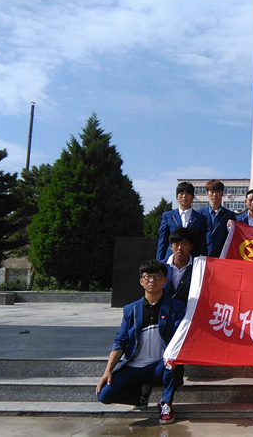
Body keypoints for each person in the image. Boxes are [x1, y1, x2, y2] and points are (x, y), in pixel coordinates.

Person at [96, 259, 186, 425]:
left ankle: (166, 403)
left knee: (171, 364)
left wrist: (173, 357)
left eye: (157, 277)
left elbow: (181, 337)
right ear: (141, 281)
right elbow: (120, 341)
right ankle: (140, 395)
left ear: (164, 281)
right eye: (148, 277)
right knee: (104, 394)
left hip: (161, 366)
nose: (152, 280)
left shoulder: (176, 307)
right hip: (135, 366)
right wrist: (108, 370)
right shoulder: (131, 310)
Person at [156, 182, 206, 262]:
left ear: (192, 197)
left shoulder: (200, 218)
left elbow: (202, 243)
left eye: (188, 193)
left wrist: (203, 260)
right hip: (171, 259)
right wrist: (159, 261)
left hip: (192, 260)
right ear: (177, 196)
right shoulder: (168, 216)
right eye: (181, 193)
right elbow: (162, 241)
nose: (184, 196)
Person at [201, 179, 236, 258]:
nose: (214, 195)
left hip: (222, 256)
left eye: (217, 192)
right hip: (203, 256)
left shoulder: (230, 215)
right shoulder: (199, 214)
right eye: (212, 192)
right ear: (207, 193)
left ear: (222, 193)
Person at [164, 228, 194, 305]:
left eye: (184, 244)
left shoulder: (198, 268)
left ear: (190, 246)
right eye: (176, 244)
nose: (179, 248)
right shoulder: (161, 266)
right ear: (171, 247)